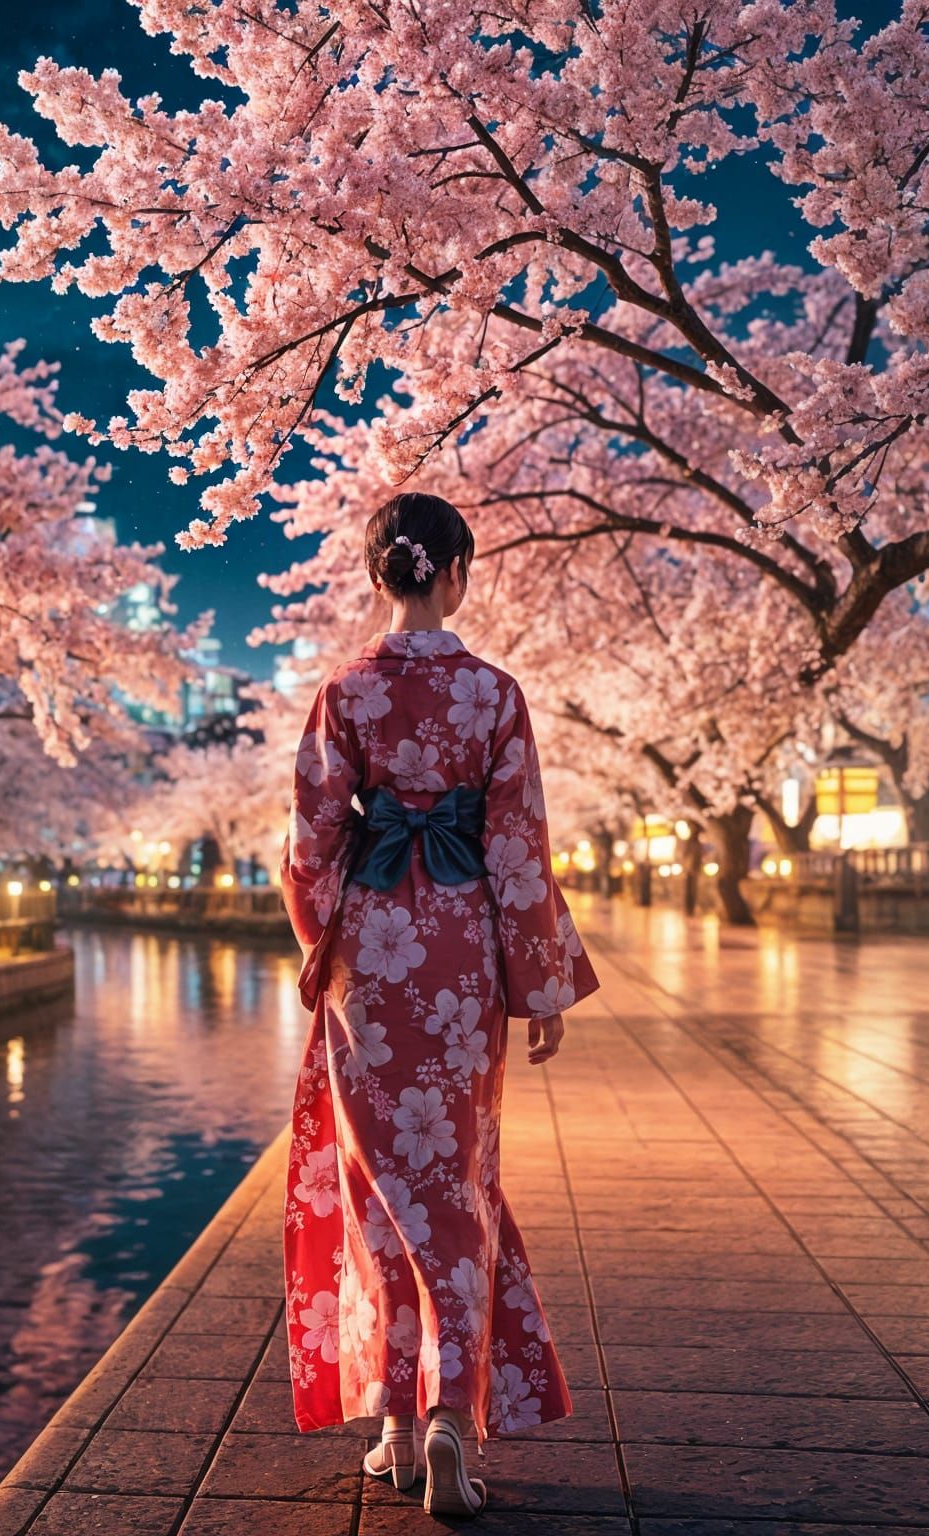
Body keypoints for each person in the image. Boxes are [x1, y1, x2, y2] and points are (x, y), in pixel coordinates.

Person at [279, 490, 601, 1518]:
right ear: (457, 571)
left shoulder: (346, 691)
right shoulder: (494, 696)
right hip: (461, 953)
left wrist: (325, 952)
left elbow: (308, 847)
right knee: (458, 1180)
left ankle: (395, 1430)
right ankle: (455, 1415)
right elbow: (516, 848)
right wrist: (538, 978)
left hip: (370, 959)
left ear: (380, 575)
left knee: (381, 1187)